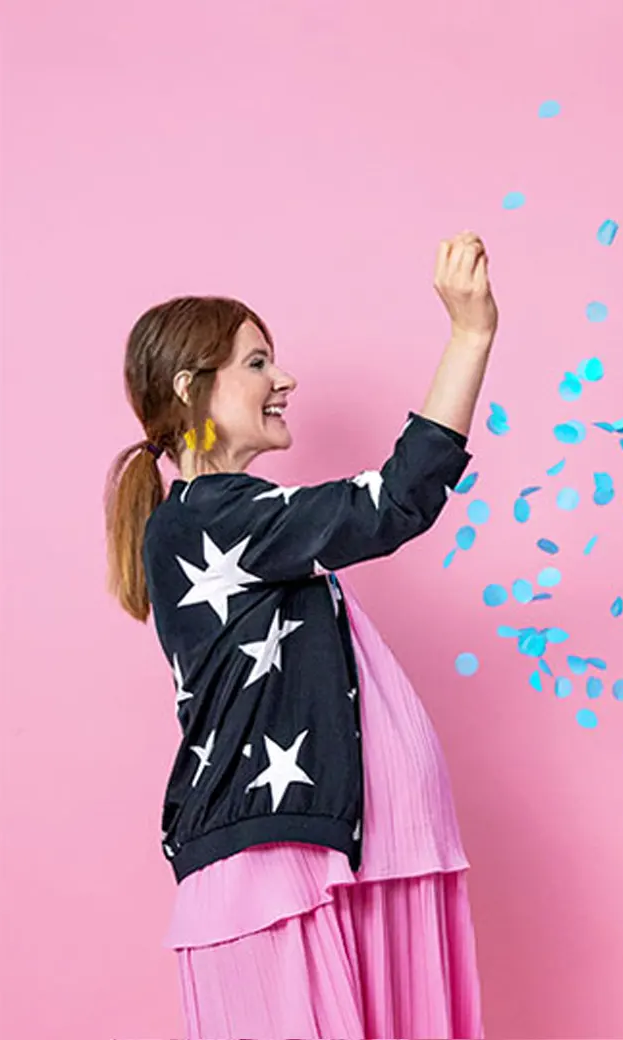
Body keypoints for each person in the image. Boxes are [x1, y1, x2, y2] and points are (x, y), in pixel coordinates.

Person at [103, 232, 497, 1039]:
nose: (284, 379)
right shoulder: (211, 519)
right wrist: (470, 336)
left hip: (353, 861)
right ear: (192, 387)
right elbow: (390, 504)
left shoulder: (244, 526)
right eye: (256, 363)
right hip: (280, 870)